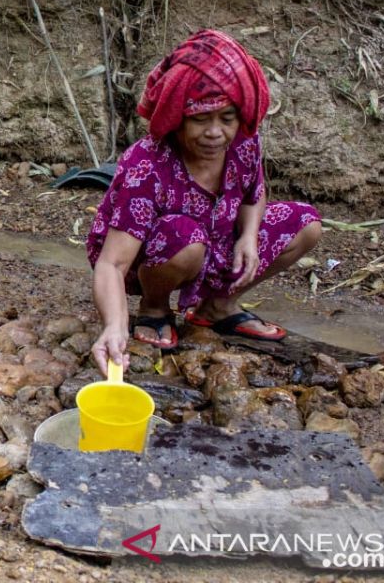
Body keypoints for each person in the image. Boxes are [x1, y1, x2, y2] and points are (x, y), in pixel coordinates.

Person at [87, 29, 322, 372]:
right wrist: (114, 325)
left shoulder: (243, 143)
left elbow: (253, 195)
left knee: (306, 224)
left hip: (215, 244)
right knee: (185, 237)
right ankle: (154, 308)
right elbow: (113, 263)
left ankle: (217, 306)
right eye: (200, 119)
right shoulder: (147, 164)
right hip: (153, 259)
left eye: (227, 118)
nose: (215, 133)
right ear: (176, 118)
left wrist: (249, 237)